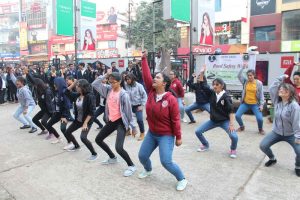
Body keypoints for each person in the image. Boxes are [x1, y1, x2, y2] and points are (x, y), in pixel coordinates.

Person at [138, 52, 188, 191]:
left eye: (158, 77)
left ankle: (182, 178)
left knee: (166, 161)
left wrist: (178, 137)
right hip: (152, 133)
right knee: (142, 156)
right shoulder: (151, 93)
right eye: (155, 77)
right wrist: (144, 59)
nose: (154, 79)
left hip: (166, 134)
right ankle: (148, 170)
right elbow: (146, 76)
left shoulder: (170, 99)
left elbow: (176, 120)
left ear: (164, 83)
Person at [92, 72, 137, 177]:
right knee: (98, 139)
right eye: (110, 82)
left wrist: (133, 127)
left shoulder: (123, 95)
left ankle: (131, 165)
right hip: (111, 121)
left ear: (120, 81)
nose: (111, 84)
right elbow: (94, 84)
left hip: (120, 122)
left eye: (114, 82)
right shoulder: (108, 90)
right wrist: (105, 76)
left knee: (119, 148)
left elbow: (129, 112)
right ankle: (112, 158)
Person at [260, 74, 300, 177]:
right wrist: (281, 78)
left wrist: (298, 137)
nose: (280, 90)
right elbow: (272, 87)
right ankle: (272, 158)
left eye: (283, 89)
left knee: (299, 152)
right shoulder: (277, 101)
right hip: (276, 132)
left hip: (291, 134)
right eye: (280, 89)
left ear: (289, 93)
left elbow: (297, 123)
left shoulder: (294, 106)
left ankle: (298, 166)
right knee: (263, 145)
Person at [195, 66, 238, 158]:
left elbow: (231, 111)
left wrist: (231, 124)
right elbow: (203, 84)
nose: (214, 86)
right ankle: (205, 144)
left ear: (222, 86)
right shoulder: (212, 94)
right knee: (198, 131)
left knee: (234, 137)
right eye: (214, 84)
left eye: (217, 84)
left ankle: (233, 149)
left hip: (224, 121)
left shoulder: (226, 97)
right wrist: (202, 72)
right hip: (213, 121)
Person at [64, 79, 98, 161]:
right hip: (78, 120)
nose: (76, 87)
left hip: (86, 121)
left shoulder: (90, 96)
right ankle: (76, 146)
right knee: (67, 132)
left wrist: (85, 123)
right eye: (76, 85)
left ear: (83, 87)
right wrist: (74, 83)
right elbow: (66, 92)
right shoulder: (77, 95)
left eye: (78, 86)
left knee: (83, 137)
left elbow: (92, 112)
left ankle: (94, 154)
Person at [235, 64, 265, 134]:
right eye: (248, 75)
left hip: (255, 104)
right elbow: (239, 76)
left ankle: (260, 129)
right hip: (245, 103)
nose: (249, 77)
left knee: (260, 119)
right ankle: (242, 127)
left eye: (251, 75)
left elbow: (261, 95)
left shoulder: (259, 83)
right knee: (237, 116)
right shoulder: (245, 82)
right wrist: (243, 68)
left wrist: (261, 105)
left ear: (254, 75)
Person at [26, 70, 54, 136]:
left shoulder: (47, 91)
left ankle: (52, 133)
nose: (34, 86)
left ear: (38, 85)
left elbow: (50, 103)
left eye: (35, 85)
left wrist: (52, 113)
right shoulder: (38, 90)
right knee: (34, 119)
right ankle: (44, 130)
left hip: (49, 110)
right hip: (43, 109)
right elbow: (32, 80)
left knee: (43, 121)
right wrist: (27, 73)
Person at [45, 77, 71, 143]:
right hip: (57, 113)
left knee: (63, 129)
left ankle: (71, 142)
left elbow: (67, 105)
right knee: (48, 125)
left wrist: (64, 116)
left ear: (59, 84)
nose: (54, 85)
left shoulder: (65, 92)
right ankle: (59, 138)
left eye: (55, 84)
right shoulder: (57, 91)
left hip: (64, 114)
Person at [124, 73, 147, 141]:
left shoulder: (139, 86)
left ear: (132, 78)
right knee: (126, 119)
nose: (127, 80)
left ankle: (142, 133)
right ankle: (128, 131)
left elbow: (144, 95)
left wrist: (142, 105)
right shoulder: (126, 86)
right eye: (126, 79)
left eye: (129, 79)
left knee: (139, 120)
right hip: (129, 106)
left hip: (138, 106)